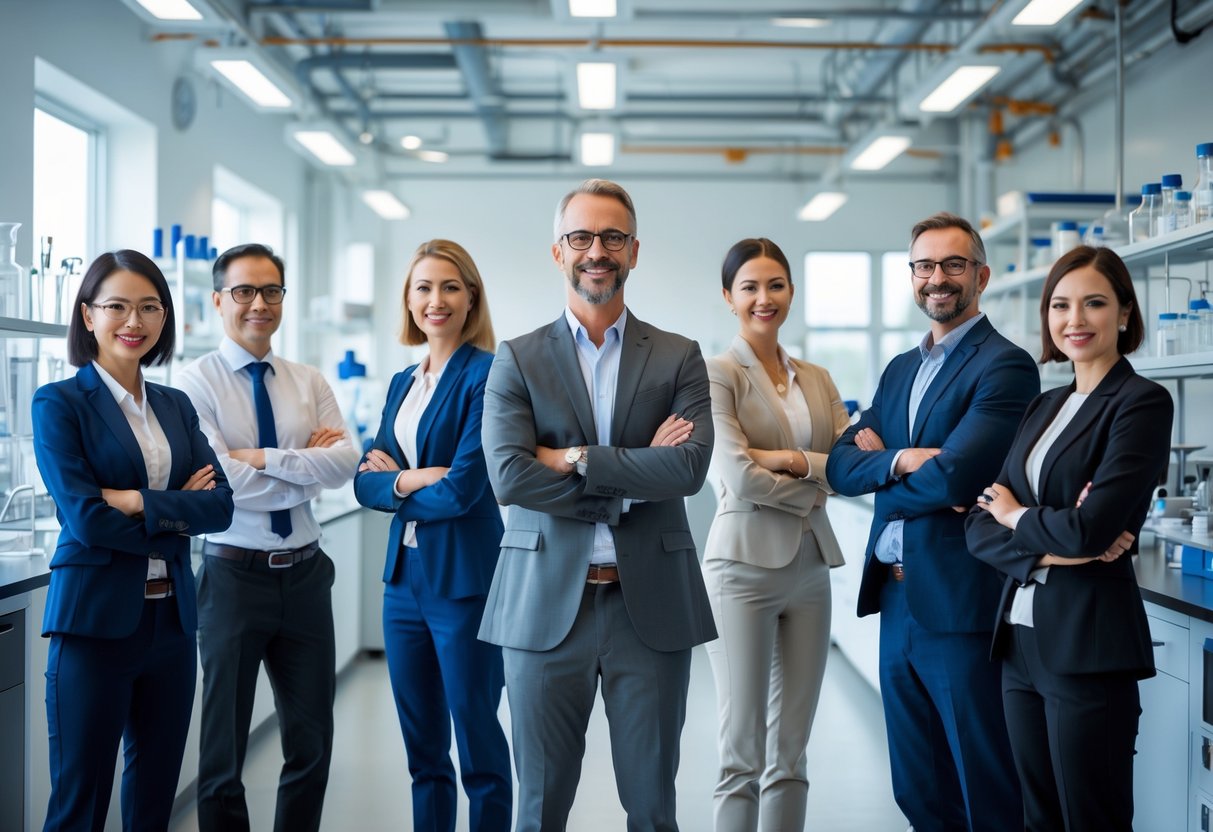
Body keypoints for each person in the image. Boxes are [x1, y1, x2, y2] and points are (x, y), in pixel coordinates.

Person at [479, 178, 716, 832]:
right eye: (580, 237)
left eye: (612, 237)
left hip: (651, 609)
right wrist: (638, 468)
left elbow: (689, 469)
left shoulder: (678, 357)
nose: (596, 251)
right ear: (557, 252)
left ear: (633, 251)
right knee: (538, 809)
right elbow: (509, 477)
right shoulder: (518, 360)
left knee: (651, 807)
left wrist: (577, 457)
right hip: (542, 602)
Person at [825, 212, 1040, 831]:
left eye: (952, 264)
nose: (937, 278)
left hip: (959, 603)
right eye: (924, 266)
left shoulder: (1004, 365)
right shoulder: (899, 370)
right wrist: (902, 462)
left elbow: (956, 479)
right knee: (917, 789)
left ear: (981, 275)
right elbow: (840, 469)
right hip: (896, 603)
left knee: (983, 787)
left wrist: (885, 474)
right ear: (912, 276)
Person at [965, 246, 1171, 831]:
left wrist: (1016, 518)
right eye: (1060, 305)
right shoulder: (1044, 404)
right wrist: (1049, 541)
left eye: (1094, 303)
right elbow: (979, 523)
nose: (1074, 319)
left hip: (1088, 646)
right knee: (1039, 819)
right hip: (1020, 644)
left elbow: (1092, 527)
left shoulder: (1141, 404)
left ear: (1125, 314)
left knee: (1092, 819)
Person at [33, 250, 234, 832]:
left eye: (150, 307)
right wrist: (177, 509)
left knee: (154, 803)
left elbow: (219, 507)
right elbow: (86, 519)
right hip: (94, 623)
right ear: (88, 315)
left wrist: (138, 500)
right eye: (117, 305)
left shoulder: (175, 404)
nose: (135, 320)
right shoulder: (60, 403)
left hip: (171, 624)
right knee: (81, 803)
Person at [177, 243, 360, 832]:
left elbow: (348, 463)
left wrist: (259, 458)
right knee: (223, 750)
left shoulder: (308, 380)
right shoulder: (193, 383)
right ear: (217, 301)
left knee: (312, 743)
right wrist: (303, 463)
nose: (259, 304)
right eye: (244, 292)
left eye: (271, 291)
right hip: (233, 577)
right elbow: (220, 484)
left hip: (306, 576)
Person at [353, 239, 512, 831]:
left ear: (471, 297)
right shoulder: (402, 381)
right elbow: (362, 482)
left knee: (477, 741)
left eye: (449, 286)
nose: (435, 300)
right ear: (409, 299)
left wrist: (394, 482)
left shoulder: (489, 374)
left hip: (463, 580)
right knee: (423, 749)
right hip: (404, 583)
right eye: (423, 287)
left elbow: (466, 489)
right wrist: (409, 479)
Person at [701, 237, 850, 831]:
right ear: (729, 297)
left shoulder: (817, 376)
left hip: (811, 568)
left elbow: (847, 468)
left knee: (791, 752)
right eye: (750, 287)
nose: (765, 298)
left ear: (791, 290)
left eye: (776, 285)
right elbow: (738, 476)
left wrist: (788, 460)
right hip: (740, 573)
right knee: (742, 752)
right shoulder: (714, 373)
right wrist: (817, 472)